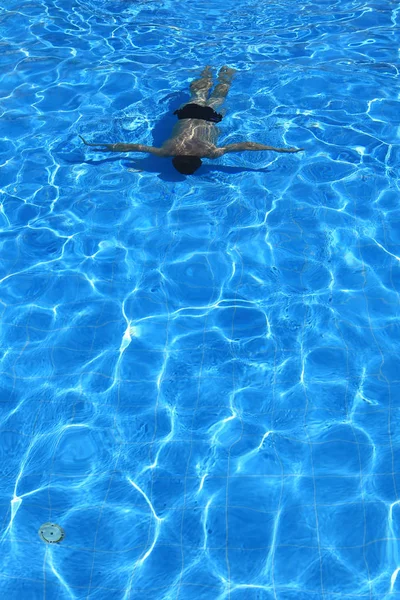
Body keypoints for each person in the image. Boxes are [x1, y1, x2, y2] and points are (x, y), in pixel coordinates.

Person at [80, 66, 304, 175]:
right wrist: (101, 147)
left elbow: (246, 146)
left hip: (210, 120)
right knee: (198, 93)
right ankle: (208, 70)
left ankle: (227, 72)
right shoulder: (167, 151)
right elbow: (131, 147)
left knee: (217, 98)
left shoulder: (210, 152)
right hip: (188, 114)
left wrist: (277, 149)